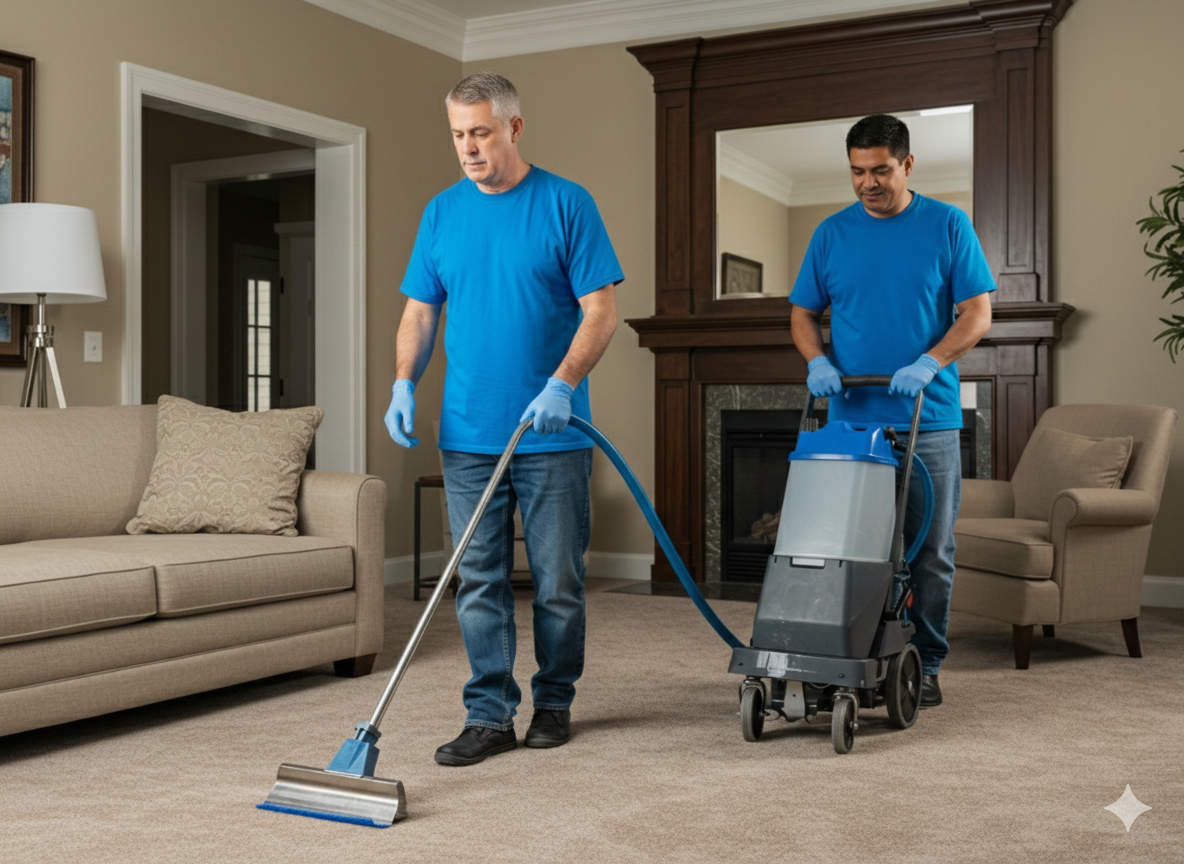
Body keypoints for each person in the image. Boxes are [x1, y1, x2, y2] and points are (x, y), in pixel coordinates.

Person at [385, 72, 623, 766]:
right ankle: (488, 715)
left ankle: (554, 701)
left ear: (514, 128)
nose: (468, 147)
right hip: (467, 436)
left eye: (481, 132)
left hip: (551, 432)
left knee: (557, 580)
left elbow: (601, 310)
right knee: (480, 580)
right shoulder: (441, 213)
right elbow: (420, 311)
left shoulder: (566, 204)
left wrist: (563, 384)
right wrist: (403, 382)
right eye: (458, 134)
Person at [789, 113, 995, 708]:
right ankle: (846, 656)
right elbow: (803, 312)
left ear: (907, 164)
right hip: (850, 421)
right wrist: (816, 360)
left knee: (929, 551)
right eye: (857, 172)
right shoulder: (830, 233)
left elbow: (976, 313)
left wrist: (929, 362)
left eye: (880, 170)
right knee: (845, 546)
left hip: (925, 420)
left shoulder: (948, 225)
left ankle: (925, 663)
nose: (867, 183)